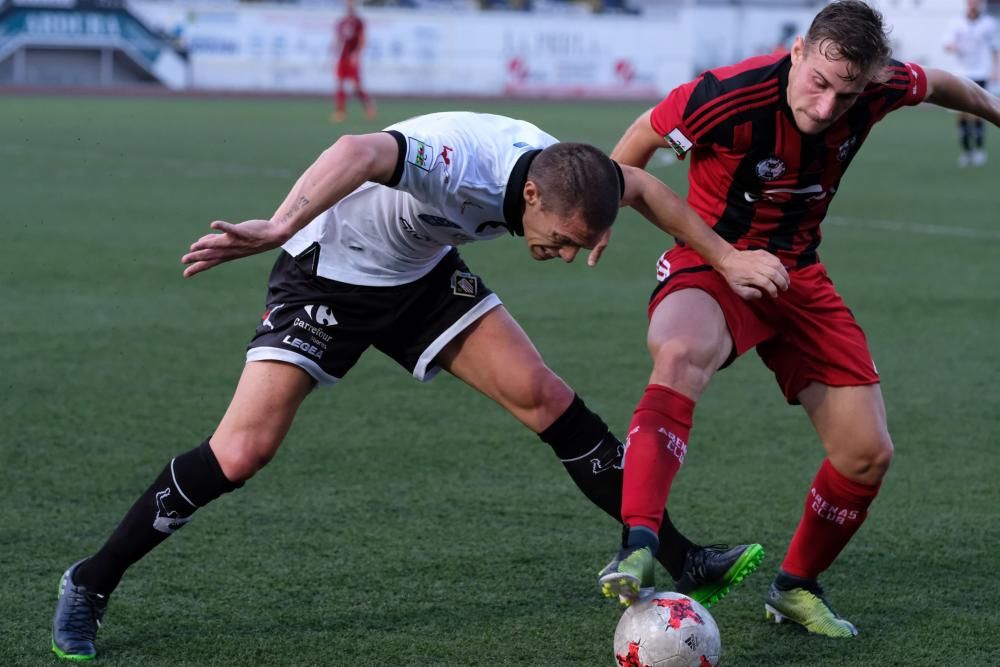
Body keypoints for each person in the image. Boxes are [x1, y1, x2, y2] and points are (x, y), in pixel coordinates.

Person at [50, 111, 788, 661]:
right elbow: (358, 149)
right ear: (531, 195)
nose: (562, 255)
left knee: (546, 397)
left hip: (419, 275)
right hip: (331, 274)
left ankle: (681, 555)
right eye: (560, 238)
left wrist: (726, 259)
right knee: (242, 450)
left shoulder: (572, 174)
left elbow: (642, 186)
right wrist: (279, 226)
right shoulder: (462, 164)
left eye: (576, 245)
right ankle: (89, 581)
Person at [597, 0, 1000, 638]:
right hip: (713, 261)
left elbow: (942, 83)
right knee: (679, 354)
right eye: (818, 83)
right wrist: (602, 211)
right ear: (797, 53)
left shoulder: (877, 86)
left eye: (847, 95)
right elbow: (641, 139)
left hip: (800, 276)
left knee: (866, 454)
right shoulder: (723, 96)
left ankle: (794, 588)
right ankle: (638, 543)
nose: (826, 107)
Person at [945, 0, 998, 167]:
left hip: (981, 72)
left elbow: (995, 48)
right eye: (970, 1)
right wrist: (952, 47)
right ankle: (966, 151)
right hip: (962, 73)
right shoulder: (956, 23)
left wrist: (994, 70)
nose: (973, 4)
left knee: (979, 111)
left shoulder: (989, 24)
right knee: (962, 113)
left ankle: (979, 150)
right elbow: (947, 44)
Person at [331, 0, 375, 123]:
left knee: (356, 86)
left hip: (352, 57)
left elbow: (362, 39)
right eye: (347, 4)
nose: (349, 7)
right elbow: (338, 40)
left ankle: (368, 106)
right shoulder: (341, 22)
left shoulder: (358, 22)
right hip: (343, 57)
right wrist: (334, 52)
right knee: (340, 83)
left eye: (351, 4)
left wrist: (356, 54)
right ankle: (340, 111)